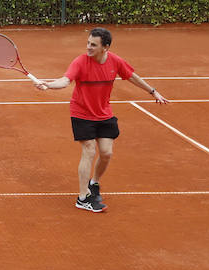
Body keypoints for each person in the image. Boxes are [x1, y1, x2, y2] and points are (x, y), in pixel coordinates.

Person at [31, 27, 168, 212]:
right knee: (88, 149)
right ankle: (82, 197)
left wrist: (153, 91)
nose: (88, 47)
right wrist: (48, 84)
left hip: (103, 113)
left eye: (93, 45)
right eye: (88, 43)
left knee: (106, 153)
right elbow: (65, 80)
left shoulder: (115, 61)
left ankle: (94, 183)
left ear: (106, 47)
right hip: (81, 113)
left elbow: (131, 76)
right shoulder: (80, 62)